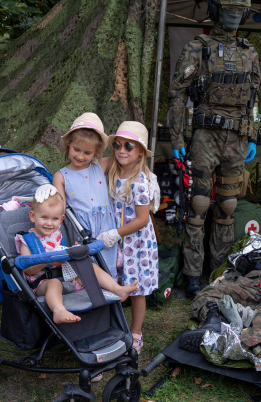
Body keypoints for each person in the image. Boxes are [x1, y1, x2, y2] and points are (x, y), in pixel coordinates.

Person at [168, 0, 261, 298]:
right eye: (229, 10)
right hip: (205, 137)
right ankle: (193, 274)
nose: (234, 16)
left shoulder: (250, 53)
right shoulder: (198, 48)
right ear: (216, 10)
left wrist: (254, 136)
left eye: (239, 11)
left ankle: (219, 272)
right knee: (198, 205)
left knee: (228, 206)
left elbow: (254, 101)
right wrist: (177, 135)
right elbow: (178, 94)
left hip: (236, 139)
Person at [15, 185, 137, 324]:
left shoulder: (58, 234)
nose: (49, 223)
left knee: (90, 267)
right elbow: (28, 269)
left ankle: (118, 289)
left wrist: (73, 252)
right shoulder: (27, 239)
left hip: (67, 279)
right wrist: (49, 261)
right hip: (43, 284)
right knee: (54, 283)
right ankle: (59, 310)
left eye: (54, 219)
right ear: (32, 216)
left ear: (61, 220)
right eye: (44, 217)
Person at [98, 121, 159, 354]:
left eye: (129, 146)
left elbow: (142, 219)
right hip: (117, 240)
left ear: (141, 152)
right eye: (117, 145)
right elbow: (90, 166)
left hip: (136, 243)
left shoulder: (140, 181)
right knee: (114, 283)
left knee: (136, 289)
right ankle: (111, 327)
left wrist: (115, 234)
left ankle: (136, 333)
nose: (121, 150)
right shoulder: (112, 167)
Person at [52, 112, 119, 281]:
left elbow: (127, 162)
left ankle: (111, 301)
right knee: (86, 273)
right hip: (81, 231)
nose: (80, 156)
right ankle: (90, 302)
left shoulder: (100, 165)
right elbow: (60, 211)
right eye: (76, 149)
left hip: (105, 227)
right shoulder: (61, 176)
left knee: (107, 267)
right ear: (69, 144)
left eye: (87, 152)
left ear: (97, 152)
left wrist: (146, 170)